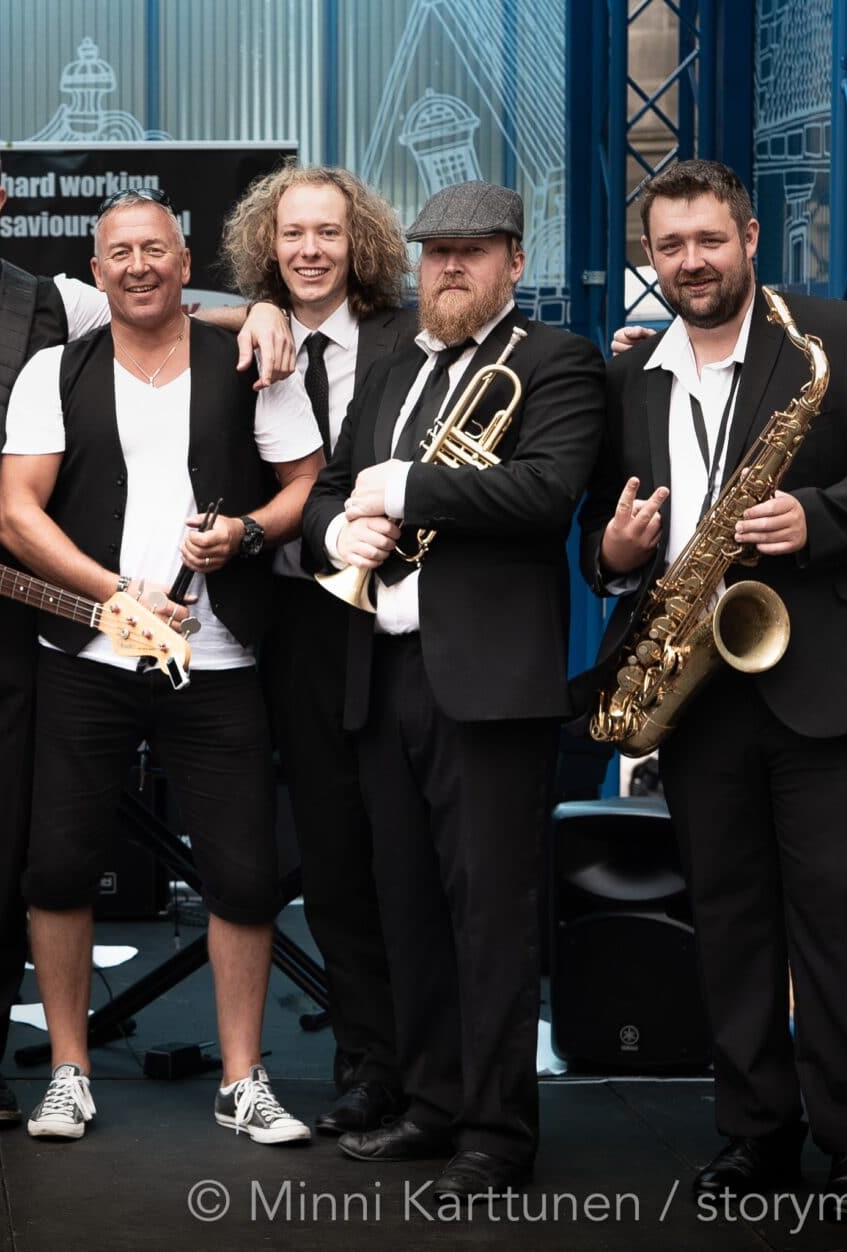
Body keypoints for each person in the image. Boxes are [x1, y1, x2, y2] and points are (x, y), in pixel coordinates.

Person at [0, 116, 295, 1133]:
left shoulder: (59, 299)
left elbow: (160, 306)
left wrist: (258, 310)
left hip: (16, 613)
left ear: (1, 197)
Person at [581, 159, 847, 1199]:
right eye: (669, 246)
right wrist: (613, 551)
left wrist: (815, 518)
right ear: (649, 258)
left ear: (748, 238)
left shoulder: (837, 335)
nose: (690, 261)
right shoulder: (633, 375)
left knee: (843, 916)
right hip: (700, 690)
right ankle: (755, 1132)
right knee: (731, 917)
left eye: (709, 239)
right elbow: (600, 533)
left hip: (836, 682)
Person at [0, 189, 323, 1146]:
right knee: (58, 867)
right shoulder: (54, 369)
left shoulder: (249, 359)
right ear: (96, 273)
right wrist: (116, 595)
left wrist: (249, 531)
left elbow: (307, 484)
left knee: (244, 876)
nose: (138, 266)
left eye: (156, 250)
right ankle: (69, 1071)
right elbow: (16, 513)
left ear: (185, 263)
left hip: (218, 659)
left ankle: (243, 1079)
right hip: (86, 656)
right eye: (120, 253)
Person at [300, 181, 605, 1195]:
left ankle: (497, 1135)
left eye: (473, 251)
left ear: (515, 261)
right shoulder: (392, 362)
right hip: (384, 671)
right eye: (436, 252)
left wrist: (408, 488)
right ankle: (431, 1105)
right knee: (410, 910)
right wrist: (337, 532)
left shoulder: (556, 360)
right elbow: (331, 487)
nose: (451, 267)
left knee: (490, 919)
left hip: (486, 686)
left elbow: (546, 490)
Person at [219, 159, 415, 1136]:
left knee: (408, 852)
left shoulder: (410, 336)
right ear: (267, 245)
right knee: (332, 857)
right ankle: (367, 1062)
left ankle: (433, 1058)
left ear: (358, 241)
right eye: (291, 234)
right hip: (301, 625)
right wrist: (250, 311)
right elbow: (145, 305)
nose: (308, 250)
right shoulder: (243, 335)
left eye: (327, 232)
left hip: (406, 623)